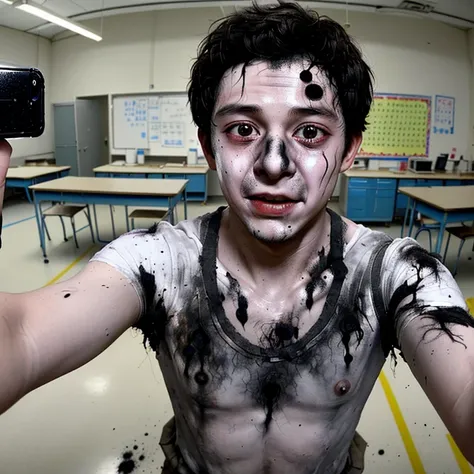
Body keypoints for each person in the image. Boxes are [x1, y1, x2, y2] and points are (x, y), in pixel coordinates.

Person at [0, 3, 473, 473]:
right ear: (209, 146)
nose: (273, 163)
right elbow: (19, 340)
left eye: (309, 132)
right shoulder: (159, 263)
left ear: (349, 148)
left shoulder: (396, 277)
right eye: (243, 129)